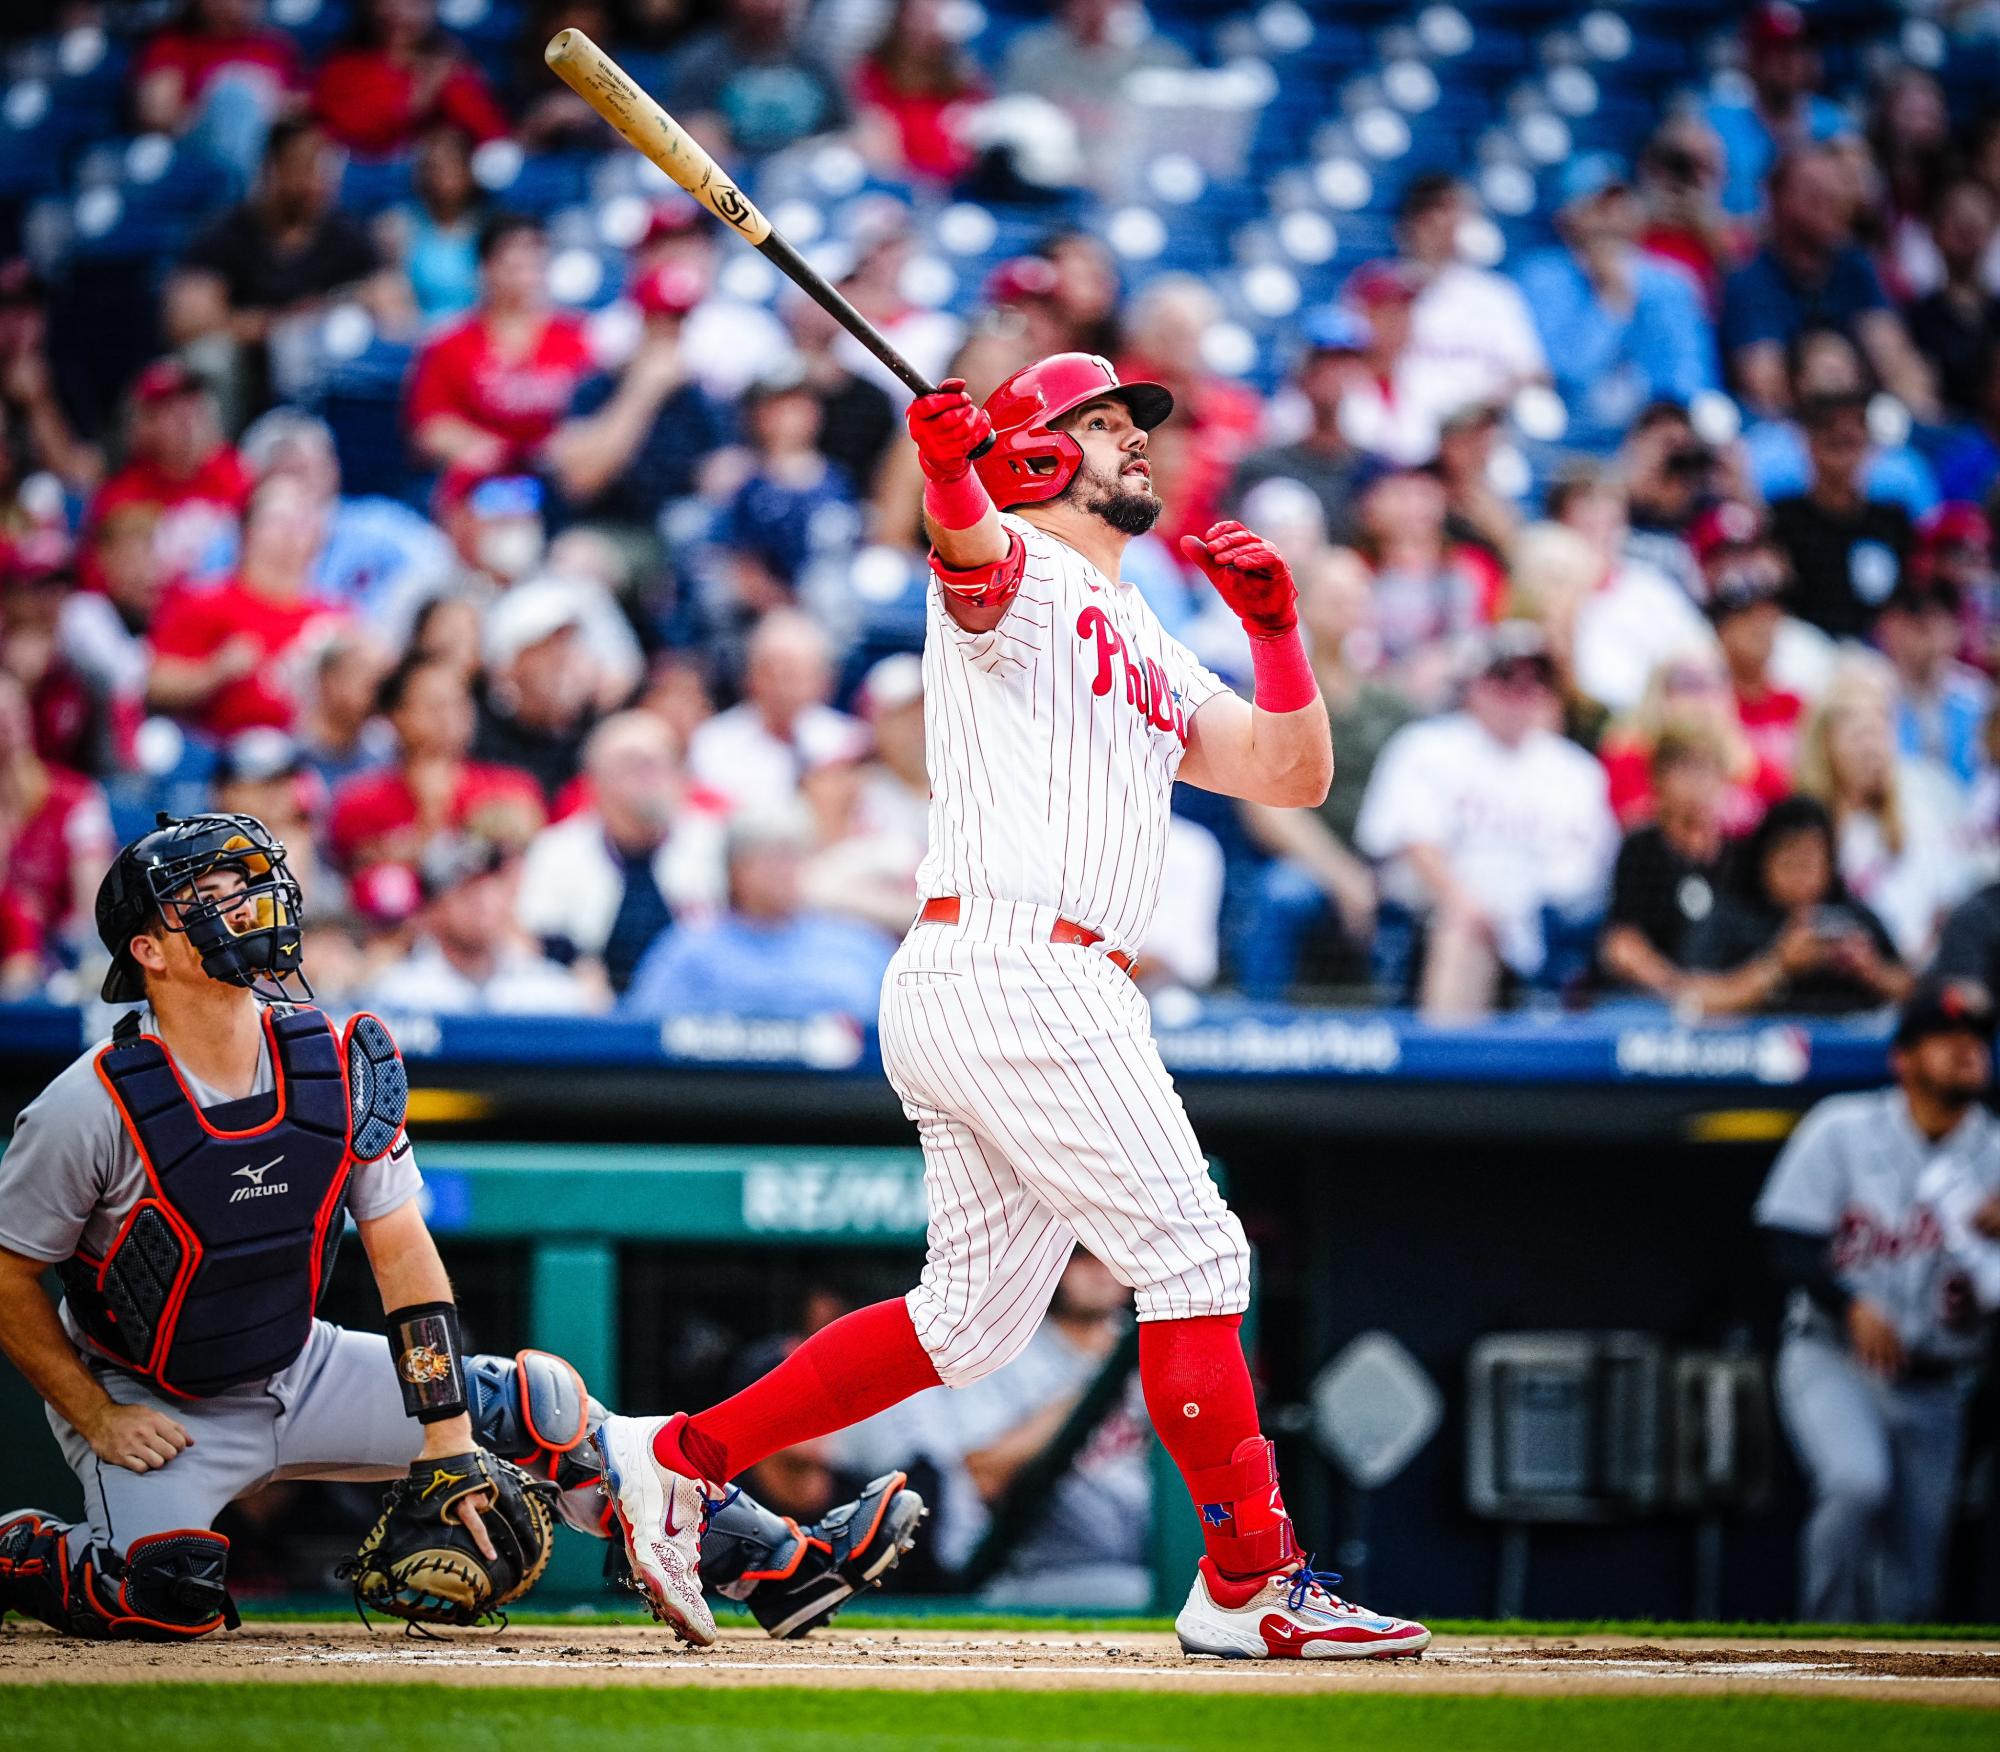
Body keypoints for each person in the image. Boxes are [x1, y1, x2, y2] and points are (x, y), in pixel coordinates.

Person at [590, 350, 1430, 1659]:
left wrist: (1277, 633)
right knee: (1198, 1258)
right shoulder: (1021, 571)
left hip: (993, 978)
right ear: (1036, 452)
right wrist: (947, 463)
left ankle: (678, 1458)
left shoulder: (1140, 624)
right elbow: (968, 555)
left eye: (1137, 423)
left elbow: (1292, 772)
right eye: (1101, 424)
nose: (1133, 440)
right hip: (1021, 968)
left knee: (968, 1322)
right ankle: (1251, 1578)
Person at [0, 813, 924, 1641]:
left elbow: (403, 1252)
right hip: (157, 1403)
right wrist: (95, 1414)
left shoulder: (334, 1058)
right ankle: (24, 1550)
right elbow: (8, 1275)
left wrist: (446, 1440)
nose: (241, 907)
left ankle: (782, 1561)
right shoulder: (91, 1102)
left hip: (300, 1361)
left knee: (545, 1414)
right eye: (204, 899)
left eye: (243, 887)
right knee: (166, 1597)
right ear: (148, 953)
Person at [1754, 977, 2000, 1622]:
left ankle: (1886, 1696)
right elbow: (1784, 1241)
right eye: (1944, 1039)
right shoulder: (1842, 1128)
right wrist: (1850, 1304)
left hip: (1939, 1381)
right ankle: (1819, 1647)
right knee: (1856, 1482)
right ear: (1903, 1060)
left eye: (1976, 1039)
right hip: (1835, 1358)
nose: (1967, 1050)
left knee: (1915, 1585)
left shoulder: (1996, 1152)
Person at [833, 1248, 1152, 1605]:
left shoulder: (1156, 1347)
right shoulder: (1008, 1348)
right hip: (1042, 1565)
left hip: (1150, 1549)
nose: (1101, 1271)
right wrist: (1092, 1392)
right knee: (1138, 1594)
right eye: (1082, 1258)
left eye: (1109, 1256)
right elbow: (978, 1471)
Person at [1356, 623, 1617, 1018]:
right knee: (1463, 931)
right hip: (1447, 916)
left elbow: (1592, 870)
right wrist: (1467, 905)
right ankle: (1445, 1071)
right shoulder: (1428, 746)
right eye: (1506, 678)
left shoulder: (1577, 771)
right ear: (1476, 685)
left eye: (1536, 681)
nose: (1521, 693)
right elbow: (1412, 842)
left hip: (1546, 922)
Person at [1236, 548, 1414, 999]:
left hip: (1385, 856)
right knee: (1284, 893)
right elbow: (1263, 809)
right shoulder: (1269, 690)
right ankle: (1260, 1026)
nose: (1347, 607)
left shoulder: (1393, 704)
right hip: (1305, 858)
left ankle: (1412, 1036)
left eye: (1357, 596)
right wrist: (1342, 874)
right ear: (1301, 603)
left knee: (1422, 895)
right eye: (1334, 596)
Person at [164, 118, 396, 419]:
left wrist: (332, 311)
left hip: (322, 368)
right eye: (303, 167)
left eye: (321, 169)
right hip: (247, 368)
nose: (314, 182)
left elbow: (394, 308)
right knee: (210, 357)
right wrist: (273, 326)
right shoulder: (226, 232)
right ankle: (219, 460)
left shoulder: (346, 235)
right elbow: (185, 322)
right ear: (271, 169)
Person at [1516, 155, 1717, 454]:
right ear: (1568, 216)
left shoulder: (1671, 283)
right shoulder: (1540, 277)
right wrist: (1611, 302)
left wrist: (1661, 429)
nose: (1613, 218)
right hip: (1570, 437)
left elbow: (1690, 375)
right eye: (1599, 206)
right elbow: (1562, 376)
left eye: (1621, 204)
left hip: (1658, 437)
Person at [514, 711, 726, 996]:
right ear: (594, 781)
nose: (651, 778)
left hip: (697, 1004)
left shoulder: (716, 844)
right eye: (635, 765)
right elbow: (532, 934)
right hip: (588, 1007)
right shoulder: (557, 851)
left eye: (662, 763)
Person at [620, 806, 894, 1022]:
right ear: (734, 871)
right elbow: (645, 1031)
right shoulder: (689, 949)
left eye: (794, 857)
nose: (784, 871)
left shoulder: (859, 945)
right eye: (771, 859)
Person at [1721, 146, 1937, 420]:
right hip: (1791, 428)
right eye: (1815, 196)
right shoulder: (1750, 281)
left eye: (1836, 195)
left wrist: (1912, 405)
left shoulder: (1856, 267)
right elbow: (1767, 390)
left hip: (1865, 420)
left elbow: (1897, 362)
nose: (1831, 205)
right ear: (1776, 200)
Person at [145, 475, 349, 739]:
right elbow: (152, 684)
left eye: (303, 522)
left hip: (311, 757)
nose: (291, 532)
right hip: (220, 753)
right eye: (279, 520)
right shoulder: (203, 602)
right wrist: (213, 673)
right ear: (247, 529)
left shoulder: (338, 621)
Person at [1794, 660, 1970, 966]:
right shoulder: (1803, 823)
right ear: (1826, 744)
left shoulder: (1920, 808)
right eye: (1859, 735)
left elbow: (1950, 902)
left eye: (1880, 732)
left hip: (1917, 975)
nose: (1872, 748)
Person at [1681, 795, 1910, 1016]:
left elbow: (1913, 991)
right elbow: (1693, 997)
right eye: (1789, 863)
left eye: (1810, 863)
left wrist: (1872, 971)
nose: (1800, 877)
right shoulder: (1731, 920)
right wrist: (1778, 965)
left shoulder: (1854, 917)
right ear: (1763, 862)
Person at [405, 214, 596, 475]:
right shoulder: (449, 344)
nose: (526, 278)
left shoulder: (580, 336)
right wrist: (487, 451)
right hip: (477, 479)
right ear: (486, 269)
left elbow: (599, 417)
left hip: (562, 476)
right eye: (513, 267)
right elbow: (430, 427)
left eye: (534, 265)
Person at [326, 651, 544, 874]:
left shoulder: (511, 788)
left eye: (459, 703)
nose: (450, 716)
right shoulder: (359, 802)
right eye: (435, 705)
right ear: (397, 715)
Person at [363, 832, 593, 1016]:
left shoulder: (550, 991)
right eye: (466, 889)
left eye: (490, 886)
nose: (483, 901)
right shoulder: (396, 994)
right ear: (430, 910)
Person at [1394, 173, 1548, 426]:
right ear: (1411, 223)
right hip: (1400, 436)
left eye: (1452, 214)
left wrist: (1480, 409)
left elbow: (1532, 372)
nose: (1442, 227)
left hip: (1476, 433)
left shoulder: (1495, 295)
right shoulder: (1380, 289)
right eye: (1431, 215)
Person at [1596, 723, 1730, 1002]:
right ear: (1658, 777)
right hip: (1648, 995)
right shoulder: (1640, 847)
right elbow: (1621, 944)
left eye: (1707, 769)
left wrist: (1725, 994)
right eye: (1685, 768)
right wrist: (1678, 988)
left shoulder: (1737, 852)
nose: (1697, 783)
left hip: (1726, 998)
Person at [1770, 391, 1916, 641]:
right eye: (1833, 438)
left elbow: (1904, 604)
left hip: (1878, 659)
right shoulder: (1782, 520)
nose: (1845, 432)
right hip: (1806, 649)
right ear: (1809, 444)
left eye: (1854, 438)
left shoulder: (1892, 521)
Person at [686, 609, 864, 813]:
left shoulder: (847, 741)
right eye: (774, 673)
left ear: (825, 682)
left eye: (797, 675)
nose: (784, 688)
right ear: (750, 675)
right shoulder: (714, 741)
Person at [1225, 307, 1370, 545]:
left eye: (1343, 362)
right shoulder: (1261, 466)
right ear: (1301, 371)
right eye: (1322, 363)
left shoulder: (1372, 468)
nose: (1333, 375)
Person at [1702, 3, 1853, 220]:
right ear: (1752, 58)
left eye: (1801, 49)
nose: (1792, 62)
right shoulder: (1717, 127)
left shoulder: (1836, 125)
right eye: (1778, 51)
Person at [311, 0, 510, 157]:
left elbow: (493, 138)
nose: (398, 12)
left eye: (413, 3)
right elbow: (346, 135)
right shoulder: (342, 67)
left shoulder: (451, 71)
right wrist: (415, 103)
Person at [664, 0, 848, 159]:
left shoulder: (815, 58)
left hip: (803, 171)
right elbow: (687, 129)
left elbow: (851, 129)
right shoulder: (703, 59)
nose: (769, 5)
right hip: (730, 174)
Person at [1877, 573, 1991, 794]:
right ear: (1893, 626)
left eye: (1943, 623)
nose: (1934, 639)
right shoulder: (1874, 694)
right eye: (1922, 627)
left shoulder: (1977, 696)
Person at [854, 0, 987, 185]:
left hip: (960, 191)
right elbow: (880, 151)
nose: (928, 22)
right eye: (919, 14)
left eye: (936, 12)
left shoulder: (967, 79)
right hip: (903, 188)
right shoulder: (873, 73)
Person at [1906, 180, 2000, 422]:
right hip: (1946, 433)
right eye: (1958, 221)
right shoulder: (1916, 318)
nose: (1967, 229)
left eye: (1976, 222)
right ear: (1935, 232)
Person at [379, 124, 487, 326]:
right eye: (433, 167)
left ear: (468, 171)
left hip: (476, 337)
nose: (442, 177)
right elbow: (392, 293)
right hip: (416, 336)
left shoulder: (489, 227)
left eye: (451, 166)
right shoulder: (397, 226)